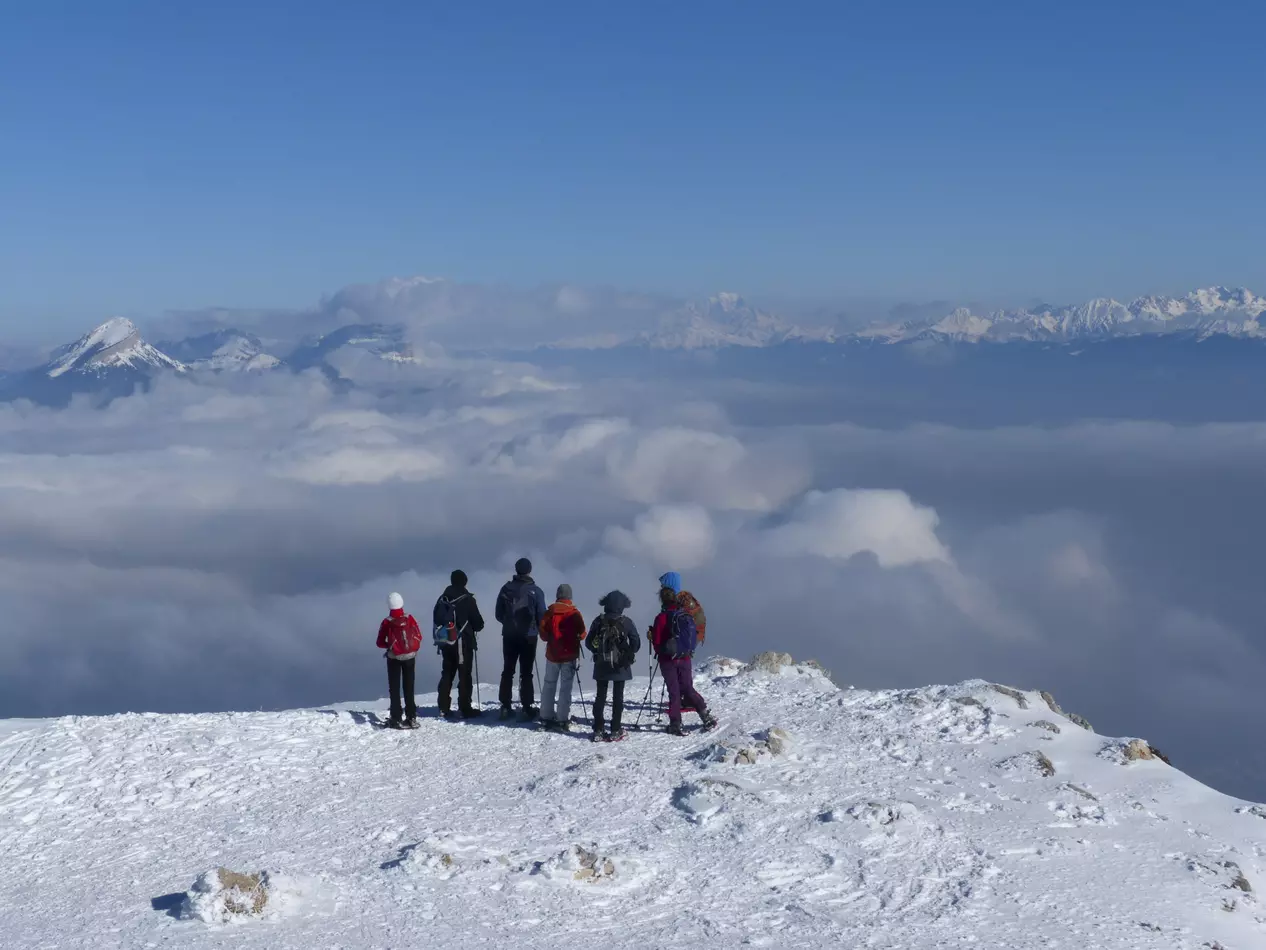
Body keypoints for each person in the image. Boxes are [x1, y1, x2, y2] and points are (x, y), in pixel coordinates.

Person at [650, 582, 717, 736]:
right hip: (685, 658)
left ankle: (676, 724)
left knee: (674, 691)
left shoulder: (660, 618)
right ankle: (705, 715)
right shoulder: (685, 616)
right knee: (687, 688)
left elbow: (657, 642)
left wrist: (658, 648)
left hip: (668, 660)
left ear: (662, 601)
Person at [495, 557, 547, 721]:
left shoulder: (505, 589)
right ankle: (526, 707)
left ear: (516, 570)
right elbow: (542, 615)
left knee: (508, 670)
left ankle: (505, 706)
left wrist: (508, 624)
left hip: (509, 635)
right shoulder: (536, 591)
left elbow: (498, 614)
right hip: (529, 636)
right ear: (529, 570)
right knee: (526, 672)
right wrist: (538, 629)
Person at [586, 590, 641, 742]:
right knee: (618, 698)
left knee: (600, 697)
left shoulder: (599, 621)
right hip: (620, 666)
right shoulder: (626, 622)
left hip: (601, 664)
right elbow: (636, 644)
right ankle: (615, 729)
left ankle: (598, 729)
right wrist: (627, 651)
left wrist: (598, 650)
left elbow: (588, 642)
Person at [435, 569, 486, 719]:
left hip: (446, 641)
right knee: (465, 675)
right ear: (465, 582)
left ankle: (443, 706)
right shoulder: (467, 599)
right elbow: (478, 624)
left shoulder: (442, 598)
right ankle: (465, 707)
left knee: (447, 672)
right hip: (463, 642)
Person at [538, 584, 586, 731]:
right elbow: (583, 634)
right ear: (569, 597)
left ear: (558, 595)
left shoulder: (549, 613)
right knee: (565, 687)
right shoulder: (574, 612)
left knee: (549, 684)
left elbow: (543, 635)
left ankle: (546, 717)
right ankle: (562, 719)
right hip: (569, 655)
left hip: (552, 654)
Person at [376, 592, 423, 729]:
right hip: (410, 656)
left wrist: (391, 646)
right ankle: (411, 717)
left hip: (394, 658)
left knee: (395, 688)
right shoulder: (410, 618)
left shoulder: (387, 622)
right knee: (409, 687)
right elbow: (419, 635)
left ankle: (396, 718)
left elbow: (379, 642)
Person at [659, 571, 707, 644]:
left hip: (683, 644)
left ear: (669, 584)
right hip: (684, 642)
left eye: (663, 585)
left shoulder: (683, 602)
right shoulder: (679, 600)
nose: (661, 587)